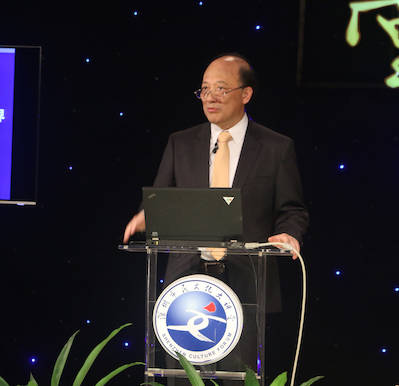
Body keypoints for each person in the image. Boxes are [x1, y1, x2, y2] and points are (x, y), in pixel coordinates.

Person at [123, 53, 309, 383]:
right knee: (183, 378)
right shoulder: (180, 143)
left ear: (246, 94)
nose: (210, 97)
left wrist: (288, 234)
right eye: (204, 89)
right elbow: (160, 199)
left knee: (238, 379)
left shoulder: (275, 148)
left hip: (246, 283)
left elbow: (291, 210)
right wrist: (146, 216)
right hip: (186, 286)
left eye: (221, 88)